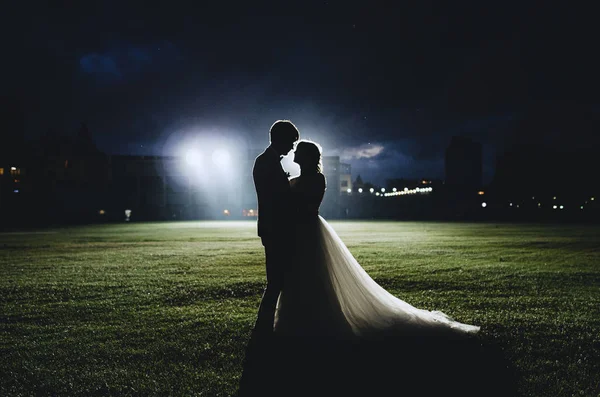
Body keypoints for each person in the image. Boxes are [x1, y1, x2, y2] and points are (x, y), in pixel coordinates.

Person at [274, 140, 480, 339]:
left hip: (308, 230)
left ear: (307, 157)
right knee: (296, 276)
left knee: (313, 275)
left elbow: (303, 204)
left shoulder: (317, 179)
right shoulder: (296, 179)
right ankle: (297, 322)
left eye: (299, 151)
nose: (295, 154)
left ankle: (315, 322)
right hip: (297, 231)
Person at [251, 120, 299, 336]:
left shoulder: (269, 161)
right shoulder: (266, 163)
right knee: (276, 281)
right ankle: (264, 326)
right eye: (291, 142)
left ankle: (269, 325)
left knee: (279, 279)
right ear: (280, 139)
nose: (292, 148)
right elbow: (274, 199)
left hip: (274, 227)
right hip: (275, 228)